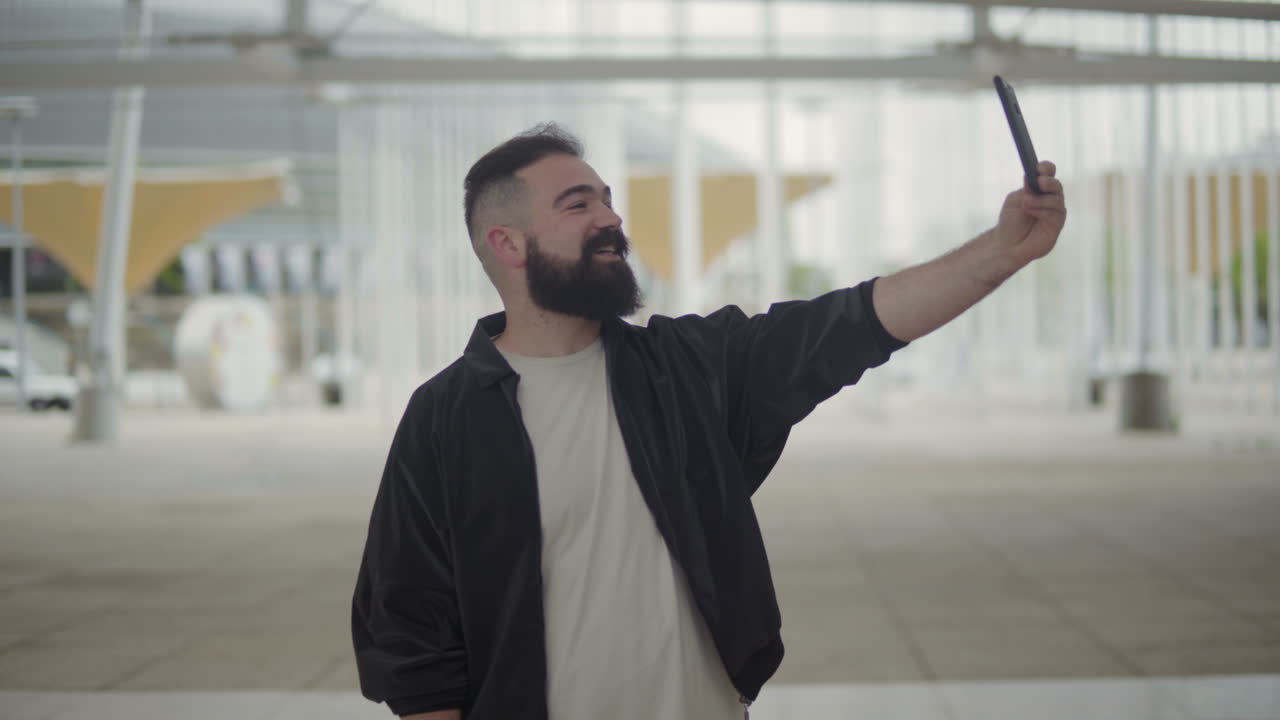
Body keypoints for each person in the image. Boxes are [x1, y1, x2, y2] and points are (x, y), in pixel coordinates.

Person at [352, 123, 1067, 720]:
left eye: (606, 198)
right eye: (578, 205)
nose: (611, 217)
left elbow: (849, 324)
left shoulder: (687, 369)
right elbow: (411, 627)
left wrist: (1001, 252)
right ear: (508, 245)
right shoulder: (446, 418)